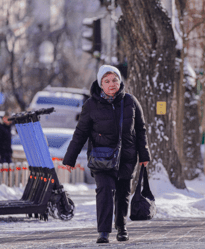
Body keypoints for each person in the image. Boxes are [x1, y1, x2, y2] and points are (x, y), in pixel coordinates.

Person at [63, 65, 151, 243]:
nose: (112, 84)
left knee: (123, 193)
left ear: (120, 81)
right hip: (101, 158)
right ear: (100, 83)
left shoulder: (131, 102)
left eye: (115, 80)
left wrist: (144, 155)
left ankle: (121, 226)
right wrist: (70, 158)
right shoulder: (91, 105)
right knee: (104, 190)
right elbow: (80, 133)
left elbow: (141, 130)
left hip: (127, 156)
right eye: (107, 81)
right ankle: (103, 231)